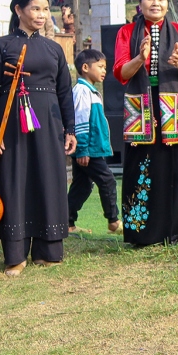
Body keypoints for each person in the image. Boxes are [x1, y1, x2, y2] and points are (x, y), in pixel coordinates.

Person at [0, 0, 76, 276]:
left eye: (45, 9)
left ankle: (48, 250)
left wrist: (69, 128)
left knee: (49, 178)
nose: (42, 15)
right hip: (11, 124)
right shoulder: (1, 46)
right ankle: (15, 253)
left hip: (48, 123)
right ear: (19, 10)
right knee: (14, 179)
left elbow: (64, 92)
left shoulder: (54, 48)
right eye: (35, 8)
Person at [114, 0, 178, 247]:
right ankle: (140, 233)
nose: (156, 3)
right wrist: (139, 58)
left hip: (171, 106)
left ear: (167, 3)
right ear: (140, 3)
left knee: (173, 168)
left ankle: (172, 233)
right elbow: (121, 73)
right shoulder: (127, 32)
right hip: (140, 106)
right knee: (139, 166)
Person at [68, 49, 120, 236]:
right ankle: (113, 221)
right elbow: (80, 121)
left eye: (105, 67)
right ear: (85, 67)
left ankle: (67, 223)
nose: (104, 71)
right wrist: (82, 150)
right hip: (88, 150)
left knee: (82, 185)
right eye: (100, 67)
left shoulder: (90, 90)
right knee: (107, 181)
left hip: (91, 149)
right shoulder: (82, 91)